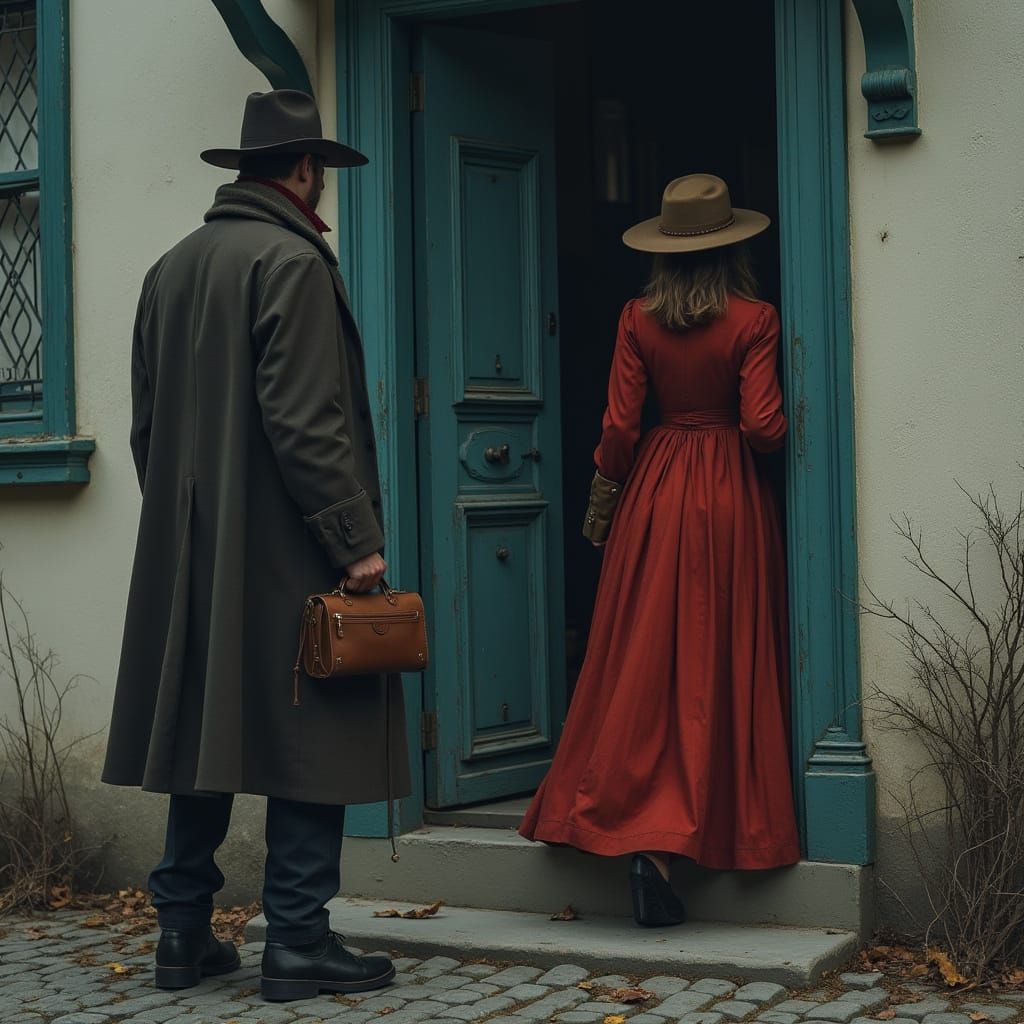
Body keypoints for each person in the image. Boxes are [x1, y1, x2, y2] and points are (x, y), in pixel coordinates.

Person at [101, 90, 410, 1001]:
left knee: (207, 730)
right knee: (314, 726)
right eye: (323, 171)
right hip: (288, 544)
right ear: (305, 168)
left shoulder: (172, 266)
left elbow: (146, 429)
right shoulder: (292, 261)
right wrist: (355, 543)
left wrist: (192, 527)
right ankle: (300, 942)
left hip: (193, 549)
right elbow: (309, 425)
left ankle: (181, 937)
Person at [519, 174, 800, 926]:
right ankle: (698, 827)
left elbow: (617, 430)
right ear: (732, 245)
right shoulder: (756, 317)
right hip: (729, 498)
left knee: (641, 660)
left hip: (655, 493)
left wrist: (605, 503)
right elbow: (765, 426)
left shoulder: (636, 318)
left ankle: (641, 837)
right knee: (718, 659)